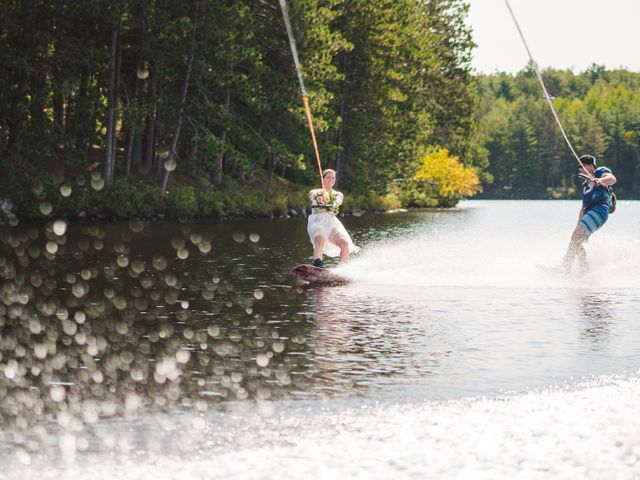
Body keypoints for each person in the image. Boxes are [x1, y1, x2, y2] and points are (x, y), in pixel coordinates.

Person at [563, 154, 616, 274]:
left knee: (575, 240)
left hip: (600, 211)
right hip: (590, 213)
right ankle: (583, 271)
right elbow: (583, 209)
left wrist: (600, 180)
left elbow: (612, 179)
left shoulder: (599, 172)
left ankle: (565, 269)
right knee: (575, 241)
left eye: (583, 166)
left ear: (592, 166)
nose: (580, 169)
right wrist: (578, 226)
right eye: (579, 167)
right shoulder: (586, 185)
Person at [307, 169, 359, 268]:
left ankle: (342, 268)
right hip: (317, 222)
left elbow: (339, 201)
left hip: (331, 223)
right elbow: (311, 196)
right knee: (320, 239)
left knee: (344, 243)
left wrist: (333, 202)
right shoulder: (315, 192)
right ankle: (318, 264)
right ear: (323, 179)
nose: (331, 180)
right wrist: (322, 195)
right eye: (328, 177)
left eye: (333, 178)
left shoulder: (337, 194)